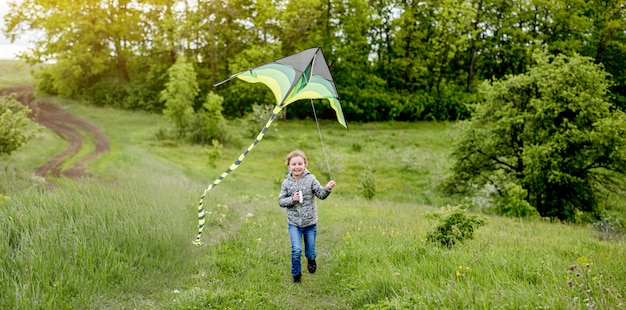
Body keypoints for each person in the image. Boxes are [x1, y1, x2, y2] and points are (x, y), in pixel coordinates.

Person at [278, 150, 336, 283]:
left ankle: (311, 259)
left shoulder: (311, 179)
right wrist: (292, 199)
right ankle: (296, 276)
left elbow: (321, 194)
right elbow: (281, 201)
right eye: (293, 164)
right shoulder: (286, 183)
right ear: (289, 166)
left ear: (305, 164)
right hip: (294, 224)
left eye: (300, 163)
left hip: (310, 224)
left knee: (310, 252)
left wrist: (327, 188)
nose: (297, 166)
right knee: (296, 249)